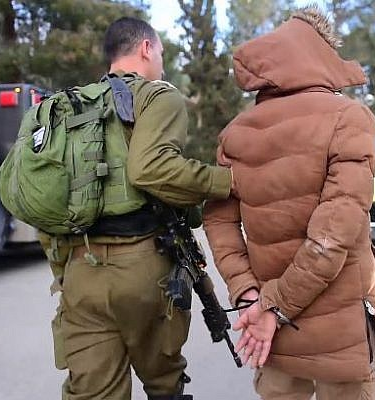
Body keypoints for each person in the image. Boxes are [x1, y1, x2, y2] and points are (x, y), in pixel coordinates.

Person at [203, 7, 375, 400]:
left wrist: (250, 296)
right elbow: (332, 237)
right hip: (336, 337)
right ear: (321, 57)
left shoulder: (234, 135)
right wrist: (274, 307)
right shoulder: (349, 119)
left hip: (269, 332)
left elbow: (219, 223)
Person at [44, 17, 233, 400]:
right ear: (146, 48)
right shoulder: (157, 96)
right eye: (160, 51)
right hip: (143, 270)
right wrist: (225, 181)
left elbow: (42, 197)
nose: (161, 60)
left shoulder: (68, 107)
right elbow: (151, 169)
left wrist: (67, 268)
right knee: (164, 384)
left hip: (80, 272)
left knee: (92, 393)